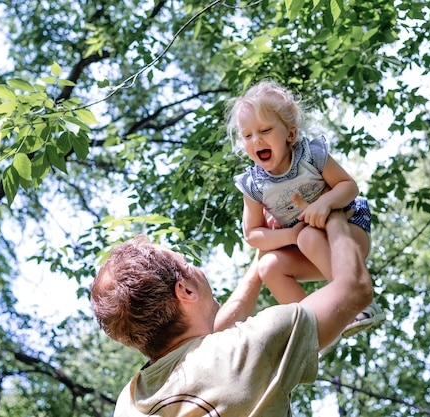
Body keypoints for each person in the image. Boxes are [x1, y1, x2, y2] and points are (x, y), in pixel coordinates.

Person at [91, 207, 373, 416]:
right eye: (188, 264)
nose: (195, 267)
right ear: (185, 291)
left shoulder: (128, 404)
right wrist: (332, 210)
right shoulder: (256, 343)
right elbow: (355, 288)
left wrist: (258, 265)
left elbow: (208, 347)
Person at [227, 79, 384, 339]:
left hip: (349, 231)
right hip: (308, 247)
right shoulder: (253, 184)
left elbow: (348, 186)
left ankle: (360, 302)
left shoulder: (310, 156)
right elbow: (253, 234)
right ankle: (318, 329)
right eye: (247, 135)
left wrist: (324, 203)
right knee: (268, 267)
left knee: (308, 236)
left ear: (290, 134)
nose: (256, 140)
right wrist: (289, 236)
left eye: (265, 130)